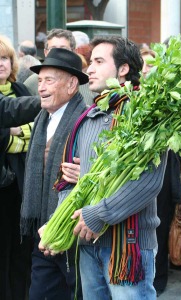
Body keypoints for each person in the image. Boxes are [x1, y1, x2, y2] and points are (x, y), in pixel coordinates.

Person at [40, 36, 168, 300]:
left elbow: (147, 183)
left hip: (128, 248)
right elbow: (68, 178)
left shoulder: (144, 115)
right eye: (91, 62)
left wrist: (98, 215)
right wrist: (59, 224)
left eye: (99, 61)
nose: (90, 69)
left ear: (122, 69)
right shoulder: (89, 116)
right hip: (88, 246)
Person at [20, 47, 88, 300]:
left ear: (72, 85)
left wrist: (86, 172)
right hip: (42, 230)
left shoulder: (86, 118)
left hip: (72, 231)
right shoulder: (42, 118)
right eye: (39, 80)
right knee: (39, 293)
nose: (41, 87)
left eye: (49, 80)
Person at [0, 34, 35, 300]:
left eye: (5, 58)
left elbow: (37, 132)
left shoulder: (22, 90)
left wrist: (14, 133)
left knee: (22, 251)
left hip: (22, 184)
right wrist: (11, 134)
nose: (1, 63)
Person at [23, 28, 76, 96]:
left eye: (63, 49)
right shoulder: (31, 83)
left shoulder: (87, 82)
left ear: (74, 52)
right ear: (45, 52)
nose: (57, 54)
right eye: (53, 49)